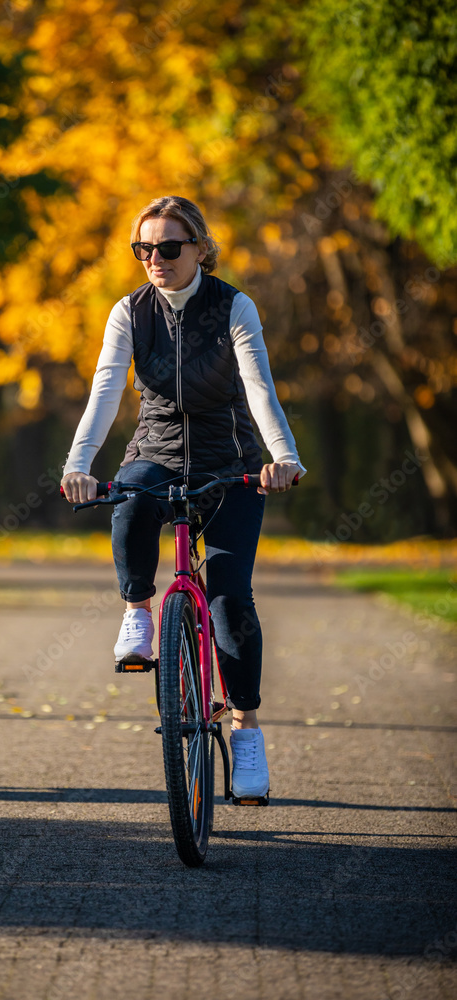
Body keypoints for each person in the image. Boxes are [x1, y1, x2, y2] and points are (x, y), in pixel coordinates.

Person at [61, 196, 306, 802]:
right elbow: (104, 394)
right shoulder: (129, 312)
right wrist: (77, 466)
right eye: (143, 249)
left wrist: (283, 457)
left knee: (228, 600)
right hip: (158, 448)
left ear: (200, 248)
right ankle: (139, 611)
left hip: (233, 461)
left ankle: (246, 733)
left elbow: (257, 387)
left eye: (169, 247)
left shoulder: (233, 305)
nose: (155, 259)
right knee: (131, 504)